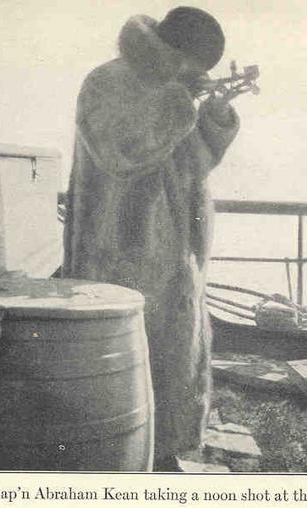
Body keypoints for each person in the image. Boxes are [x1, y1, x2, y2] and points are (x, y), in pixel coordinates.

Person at [63, 6, 240, 471]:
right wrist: (179, 103)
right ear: (172, 52)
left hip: (175, 251)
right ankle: (116, 455)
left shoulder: (175, 88)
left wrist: (214, 119)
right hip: (119, 249)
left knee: (170, 359)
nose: (197, 77)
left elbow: (194, 163)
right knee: (121, 365)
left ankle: (162, 452)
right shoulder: (108, 81)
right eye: (194, 67)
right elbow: (120, 153)